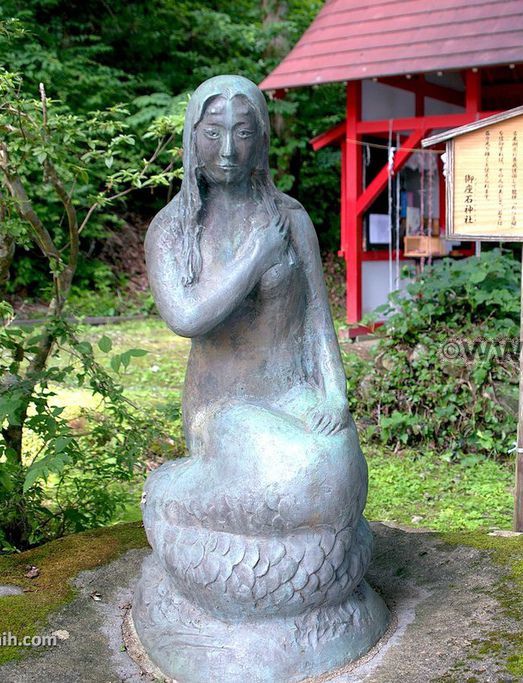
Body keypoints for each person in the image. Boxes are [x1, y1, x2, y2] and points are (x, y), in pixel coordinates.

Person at [133, 75, 387, 682]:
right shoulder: (172, 230)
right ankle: (173, 494)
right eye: (214, 134)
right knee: (310, 480)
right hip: (225, 409)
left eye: (243, 134)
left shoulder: (291, 218)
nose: (227, 151)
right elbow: (187, 316)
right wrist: (251, 258)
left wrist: (335, 393)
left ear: (262, 139)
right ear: (192, 138)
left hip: (294, 395)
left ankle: (264, 553)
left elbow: (317, 320)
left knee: (342, 478)